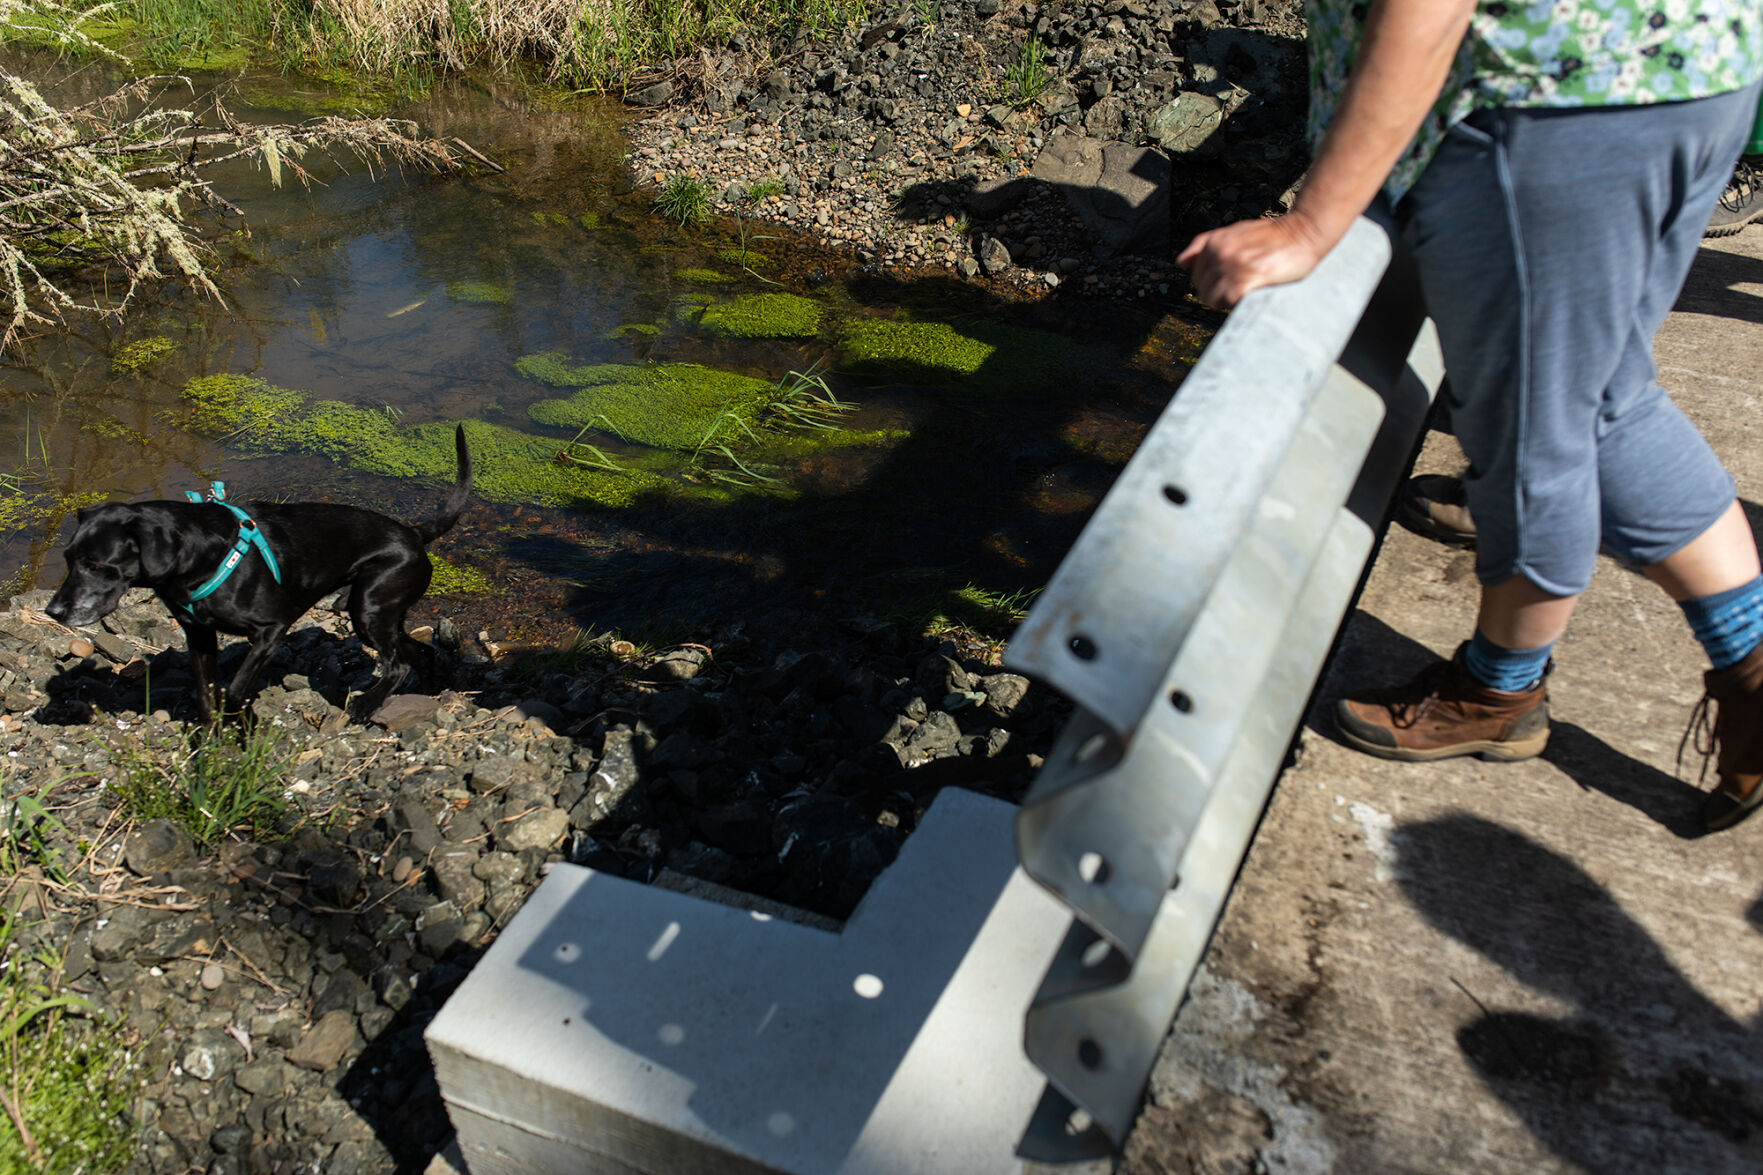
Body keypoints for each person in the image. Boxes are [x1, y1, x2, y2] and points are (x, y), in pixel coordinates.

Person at [1177, 0, 1763, 833]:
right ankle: (1752, 651)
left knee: (1531, 438)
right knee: (1601, 399)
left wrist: (1313, 224)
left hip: (1548, 106)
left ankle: (1497, 691)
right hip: (1679, 70)